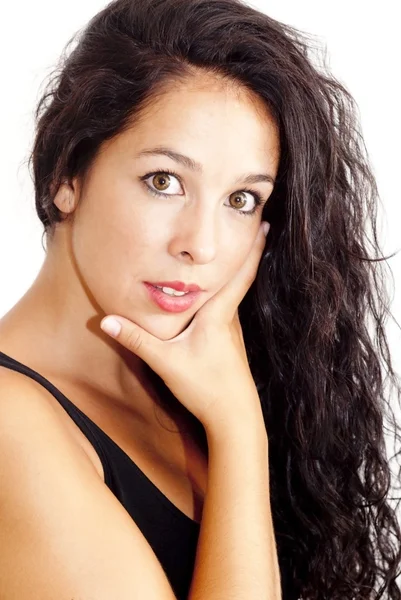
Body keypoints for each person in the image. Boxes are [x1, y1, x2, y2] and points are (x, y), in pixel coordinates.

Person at [0, 0, 400, 598]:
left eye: (242, 199)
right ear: (65, 174)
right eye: (164, 181)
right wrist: (239, 428)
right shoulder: (10, 426)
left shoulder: (195, 378)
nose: (203, 246)